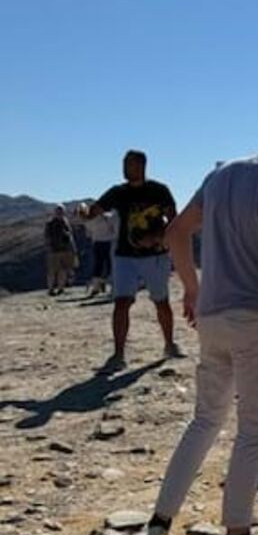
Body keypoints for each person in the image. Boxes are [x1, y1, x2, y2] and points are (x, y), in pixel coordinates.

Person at [129, 102, 258, 535]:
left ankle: (156, 527)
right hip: (257, 324)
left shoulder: (223, 175)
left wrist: (192, 287)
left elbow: (175, 233)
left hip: (212, 319)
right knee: (253, 434)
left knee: (204, 421)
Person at [89, 150, 180, 373]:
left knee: (161, 302)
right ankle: (118, 354)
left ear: (141, 166)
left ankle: (169, 344)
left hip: (155, 256)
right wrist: (85, 212)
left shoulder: (159, 190)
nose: (125, 168)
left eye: (129, 164)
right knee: (121, 303)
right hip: (125, 256)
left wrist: (158, 238)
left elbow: (174, 220)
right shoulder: (117, 192)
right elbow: (95, 211)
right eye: (124, 164)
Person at [78, 202, 116, 296]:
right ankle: (109, 285)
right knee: (109, 264)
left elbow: (88, 234)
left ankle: (97, 286)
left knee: (99, 265)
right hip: (108, 242)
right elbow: (113, 226)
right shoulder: (106, 217)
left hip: (97, 242)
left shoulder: (88, 221)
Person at [44, 204, 76, 296]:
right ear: (55, 212)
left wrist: (73, 248)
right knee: (52, 271)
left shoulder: (66, 223)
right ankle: (51, 289)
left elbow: (70, 236)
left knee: (63, 270)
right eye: (58, 211)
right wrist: (49, 247)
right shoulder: (50, 223)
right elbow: (47, 237)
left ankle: (61, 288)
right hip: (53, 250)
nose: (60, 213)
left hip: (65, 249)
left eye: (61, 211)